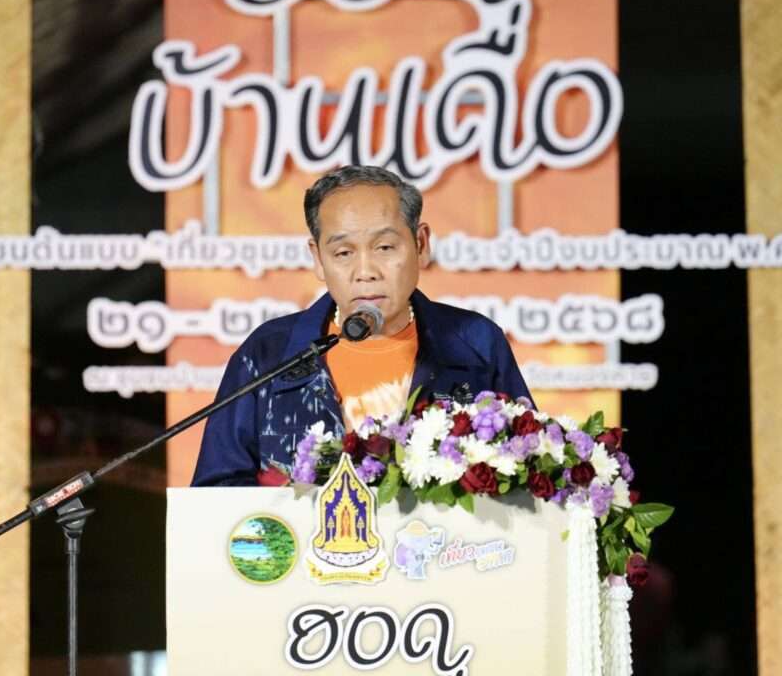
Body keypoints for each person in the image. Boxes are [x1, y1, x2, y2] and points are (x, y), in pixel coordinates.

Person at [191, 166, 531, 486]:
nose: (365, 271)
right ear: (318, 259)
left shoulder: (476, 342)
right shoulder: (269, 354)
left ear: (420, 245)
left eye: (384, 247)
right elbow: (216, 494)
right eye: (343, 253)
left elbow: (532, 471)